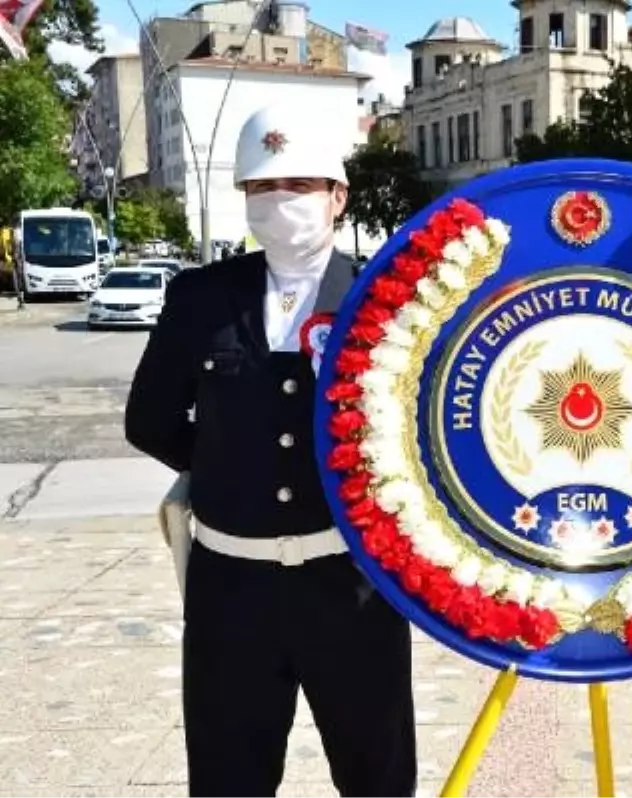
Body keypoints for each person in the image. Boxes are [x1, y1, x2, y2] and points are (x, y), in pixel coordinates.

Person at [125, 104, 418, 797]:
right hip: (233, 589)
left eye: (298, 186)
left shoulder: (389, 297)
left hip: (352, 588)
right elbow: (149, 420)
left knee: (377, 780)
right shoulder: (202, 298)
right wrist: (230, 466)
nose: (278, 202)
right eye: (261, 188)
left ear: (338, 196)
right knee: (230, 781)